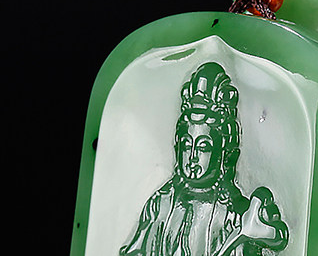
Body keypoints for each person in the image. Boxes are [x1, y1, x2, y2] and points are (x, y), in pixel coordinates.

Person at [120, 62, 288, 256]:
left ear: (224, 153)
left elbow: (276, 237)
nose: (192, 158)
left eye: (203, 148)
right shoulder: (162, 204)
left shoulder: (235, 215)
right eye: (186, 145)